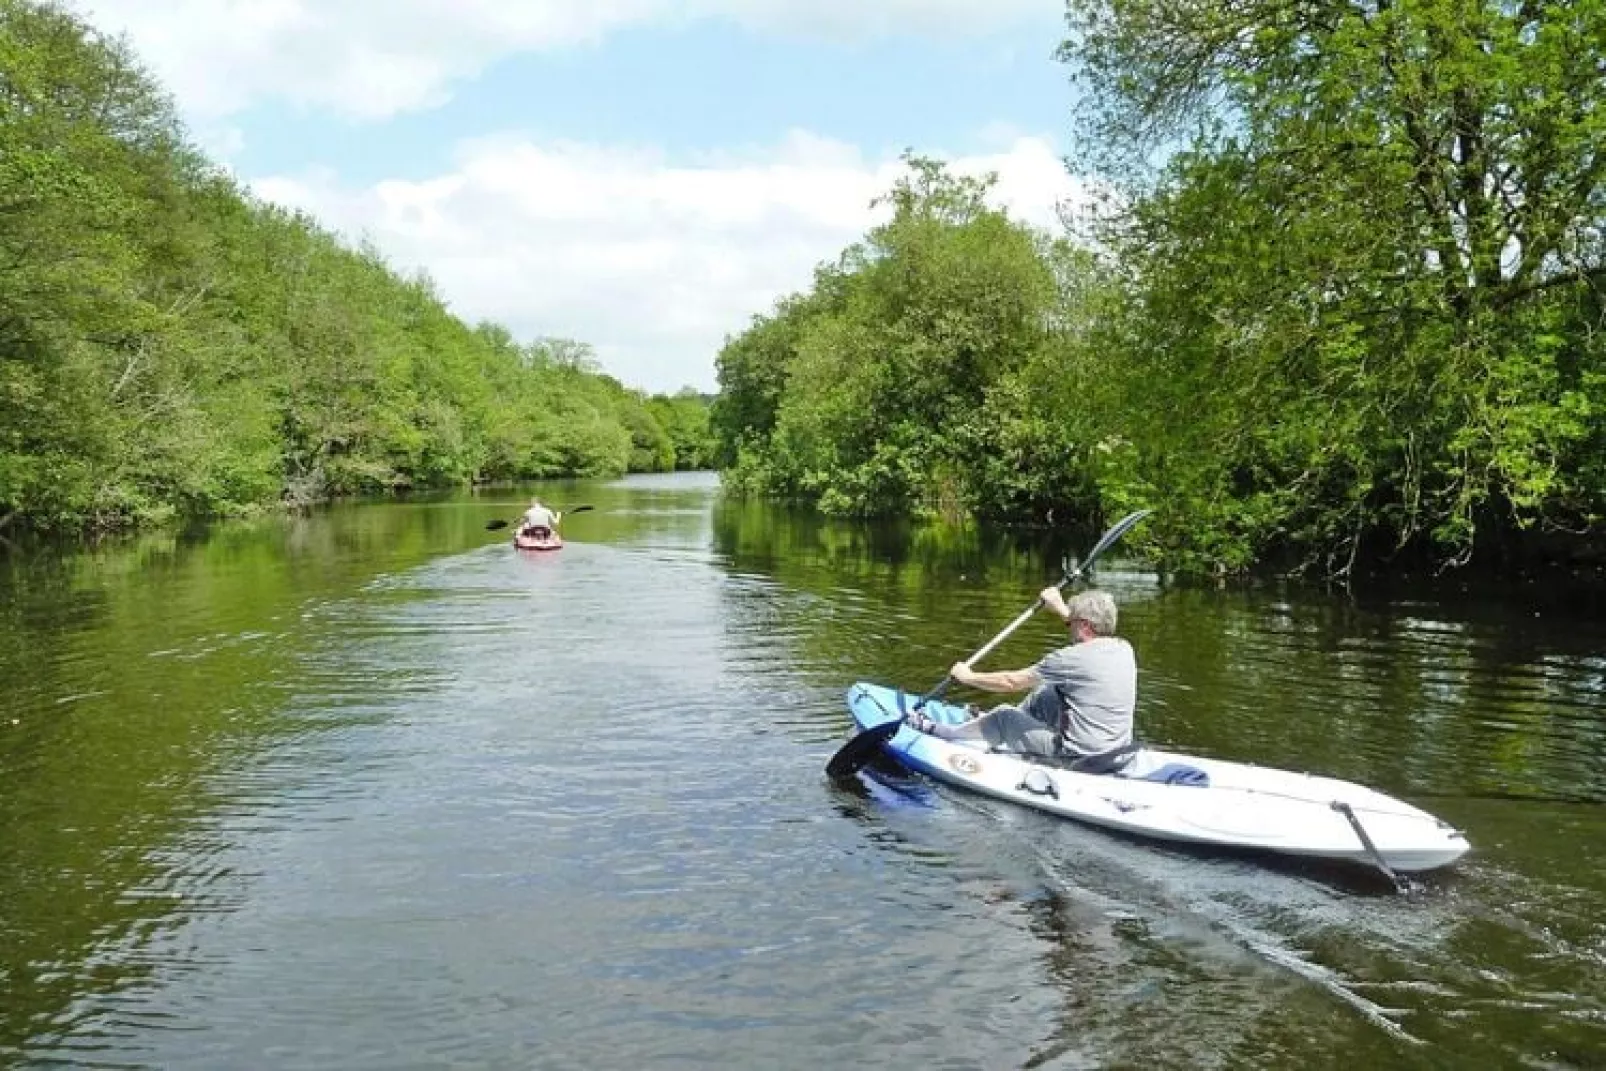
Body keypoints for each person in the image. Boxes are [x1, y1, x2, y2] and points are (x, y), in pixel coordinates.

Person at [906, 587, 1137, 771]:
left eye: (1073, 622)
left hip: (1078, 759)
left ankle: (944, 732)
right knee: (1047, 693)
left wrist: (968, 677)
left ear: (1085, 625)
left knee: (1005, 716)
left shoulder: (1069, 659)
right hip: (1115, 755)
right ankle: (1002, 726)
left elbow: (1011, 682)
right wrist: (1059, 607)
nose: (1069, 626)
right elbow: (1086, 633)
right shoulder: (1124, 648)